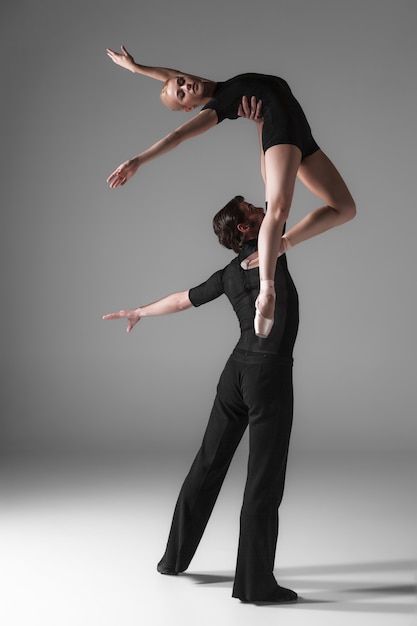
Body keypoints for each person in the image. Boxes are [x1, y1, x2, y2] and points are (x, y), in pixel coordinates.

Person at [103, 194, 301, 603]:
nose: (260, 207)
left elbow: (182, 299)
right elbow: (278, 188)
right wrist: (267, 131)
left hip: (237, 372)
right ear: (247, 229)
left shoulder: (231, 272)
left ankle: (172, 560)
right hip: (268, 373)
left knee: (208, 463)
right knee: (263, 479)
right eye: (250, 209)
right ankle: (254, 585)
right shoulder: (273, 246)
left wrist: (141, 310)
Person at [105, 45, 356, 337]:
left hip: (300, 134)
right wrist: (138, 160)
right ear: (189, 107)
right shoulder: (220, 105)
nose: (186, 84)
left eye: (182, 81)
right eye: (182, 93)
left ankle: (278, 246)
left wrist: (137, 68)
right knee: (277, 207)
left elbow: (170, 75)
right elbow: (177, 136)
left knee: (345, 208)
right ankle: (267, 293)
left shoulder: (225, 87)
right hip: (281, 133)